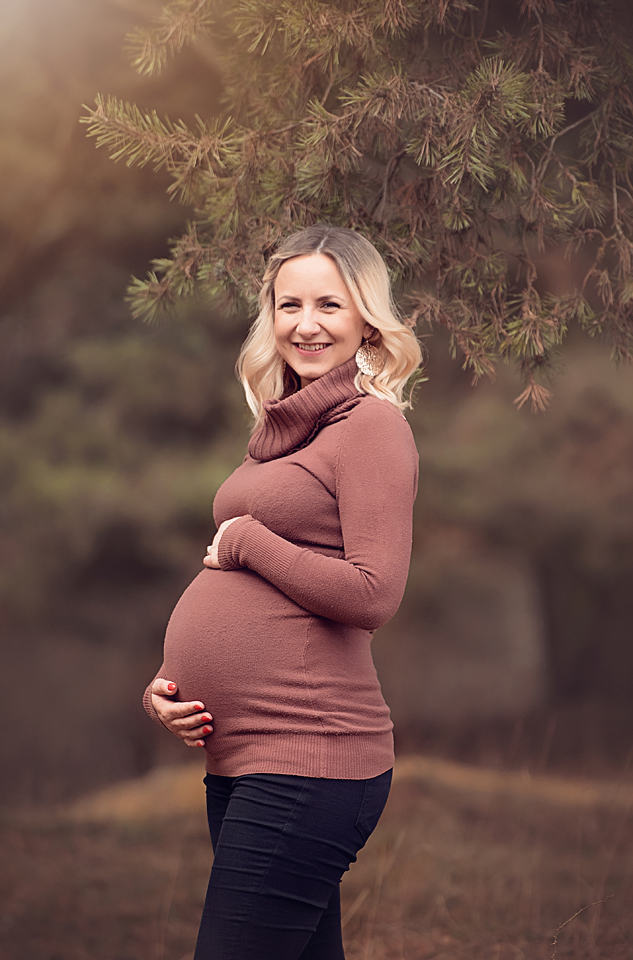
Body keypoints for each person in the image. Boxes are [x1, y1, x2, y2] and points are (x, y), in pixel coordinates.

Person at [143, 224, 422, 960]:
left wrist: (245, 540)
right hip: (244, 758)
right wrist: (167, 687)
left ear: (366, 316)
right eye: (288, 304)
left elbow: (372, 593)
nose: (305, 324)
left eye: (329, 305)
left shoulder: (370, 426)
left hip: (310, 755)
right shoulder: (283, 430)